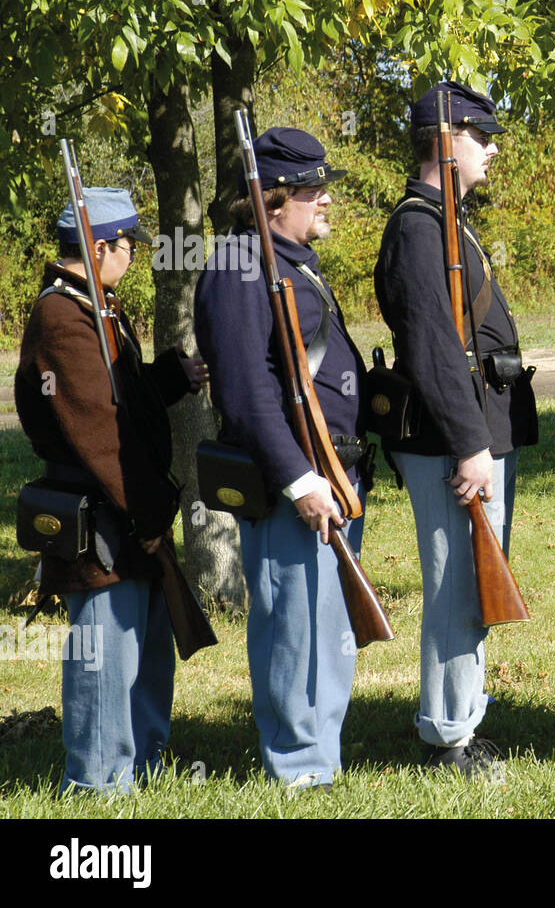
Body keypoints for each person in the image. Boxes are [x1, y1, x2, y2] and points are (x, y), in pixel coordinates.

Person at [15, 187, 207, 792]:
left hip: (128, 504)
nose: (134, 256)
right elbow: (96, 426)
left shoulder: (97, 306)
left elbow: (121, 396)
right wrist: (148, 514)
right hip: (102, 508)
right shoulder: (61, 316)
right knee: (105, 656)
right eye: (127, 246)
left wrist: (168, 379)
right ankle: (98, 781)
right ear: (99, 247)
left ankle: (144, 765)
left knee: (145, 648)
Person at [372, 81, 537, 778]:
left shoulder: (444, 221)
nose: (492, 148)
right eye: (481, 136)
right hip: (451, 442)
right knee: (454, 592)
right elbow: (434, 348)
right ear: (446, 142)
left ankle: (464, 720)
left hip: (473, 434)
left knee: (473, 588)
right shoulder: (417, 228)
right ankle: (446, 740)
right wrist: (471, 443)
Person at [195, 128, 369, 790]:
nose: (326, 199)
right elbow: (245, 391)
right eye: (312, 189)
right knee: (295, 628)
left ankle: (318, 754)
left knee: (328, 629)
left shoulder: (291, 265)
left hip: (335, 473)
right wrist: (299, 480)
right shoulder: (239, 266)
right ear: (272, 199)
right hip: (294, 484)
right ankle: (300, 768)